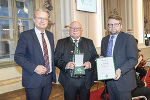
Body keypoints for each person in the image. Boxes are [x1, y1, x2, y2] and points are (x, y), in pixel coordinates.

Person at [14, 8, 56, 100]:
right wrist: (34, 67)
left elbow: (51, 55)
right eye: (39, 18)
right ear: (34, 19)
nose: (42, 21)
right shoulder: (25, 35)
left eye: (45, 18)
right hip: (33, 79)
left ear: (48, 21)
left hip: (48, 79)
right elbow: (18, 57)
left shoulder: (50, 35)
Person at [54, 21, 98, 100]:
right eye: (72, 28)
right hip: (69, 80)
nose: (75, 30)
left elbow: (96, 57)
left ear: (81, 30)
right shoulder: (61, 42)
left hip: (85, 80)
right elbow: (55, 59)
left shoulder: (89, 42)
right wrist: (65, 65)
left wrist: (90, 64)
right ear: (69, 30)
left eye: (77, 28)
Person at [100, 15, 138, 100]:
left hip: (123, 80)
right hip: (109, 80)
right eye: (110, 24)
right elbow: (103, 54)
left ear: (121, 26)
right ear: (108, 26)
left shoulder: (128, 38)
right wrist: (101, 59)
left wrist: (120, 70)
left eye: (116, 24)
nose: (113, 27)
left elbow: (133, 59)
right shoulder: (104, 40)